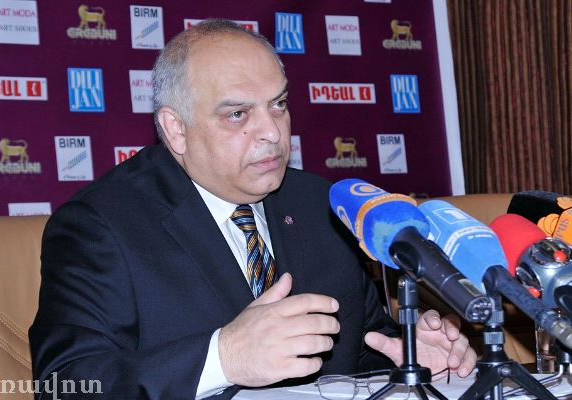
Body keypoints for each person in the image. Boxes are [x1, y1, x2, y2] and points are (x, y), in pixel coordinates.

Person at [29, 19, 476, 399]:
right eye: (238, 115)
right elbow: (65, 384)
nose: (272, 133)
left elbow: (359, 349)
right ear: (176, 129)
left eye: (278, 105)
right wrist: (223, 358)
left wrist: (412, 358)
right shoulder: (100, 226)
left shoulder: (320, 204)